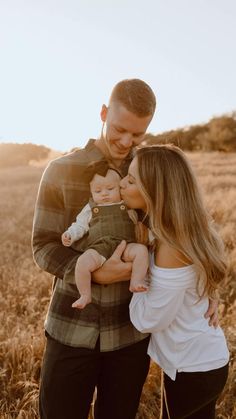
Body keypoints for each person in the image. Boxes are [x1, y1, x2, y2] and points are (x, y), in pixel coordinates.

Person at [32, 79, 217, 419]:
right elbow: (42, 246)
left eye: (138, 135)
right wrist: (95, 273)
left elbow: (184, 227)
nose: (126, 142)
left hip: (130, 336)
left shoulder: (149, 170)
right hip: (70, 328)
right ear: (103, 113)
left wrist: (204, 287)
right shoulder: (60, 171)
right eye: (119, 129)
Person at [120, 144, 229, 419]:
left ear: (155, 191)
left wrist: (138, 274)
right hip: (198, 361)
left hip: (194, 368)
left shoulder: (171, 246)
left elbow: (149, 321)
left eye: (131, 180)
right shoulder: (176, 230)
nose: (122, 183)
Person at [61, 168, 149, 309]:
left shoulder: (126, 205)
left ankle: (136, 281)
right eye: (98, 191)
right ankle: (85, 294)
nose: (104, 194)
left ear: (119, 187)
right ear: (91, 192)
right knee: (83, 262)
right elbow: (80, 225)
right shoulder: (90, 208)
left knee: (142, 251)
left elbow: (140, 224)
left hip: (125, 245)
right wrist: (70, 234)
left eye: (110, 188)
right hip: (99, 248)